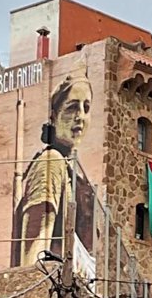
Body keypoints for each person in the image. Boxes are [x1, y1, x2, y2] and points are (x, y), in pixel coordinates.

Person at [12, 73, 95, 267]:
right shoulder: (51, 162)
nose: (80, 117)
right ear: (54, 116)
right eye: (72, 107)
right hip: (50, 279)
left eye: (86, 108)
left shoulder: (72, 171)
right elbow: (35, 242)